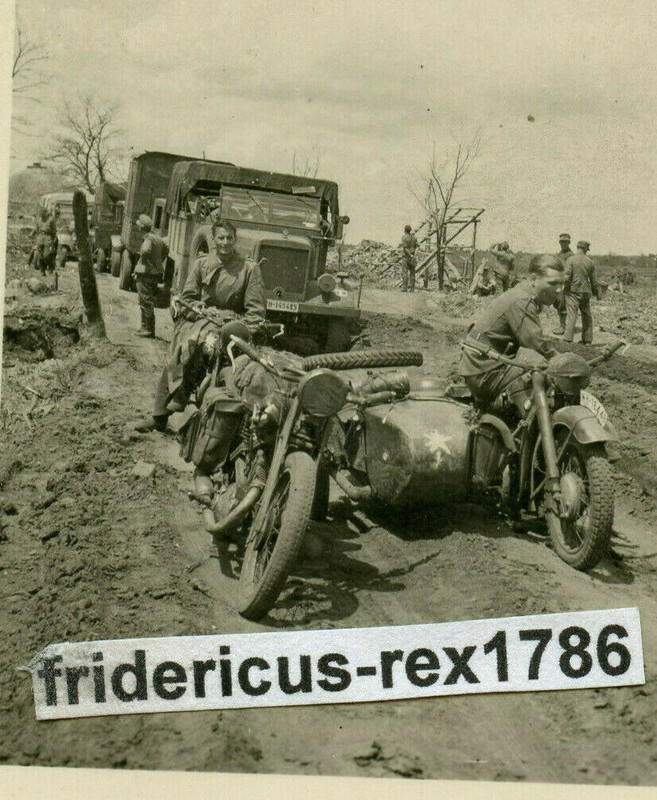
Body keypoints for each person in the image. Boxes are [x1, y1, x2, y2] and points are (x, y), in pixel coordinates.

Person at [135, 218, 266, 432]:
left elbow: (256, 311)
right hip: (200, 320)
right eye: (221, 238)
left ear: (235, 240)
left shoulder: (249, 269)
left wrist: (239, 325)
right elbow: (187, 299)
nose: (225, 242)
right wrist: (204, 310)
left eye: (229, 238)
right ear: (213, 240)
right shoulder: (201, 264)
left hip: (232, 325)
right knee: (181, 350)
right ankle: (160, 415)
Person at [459, 254, 564, 408]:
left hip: (480, 365)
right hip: (484, 372)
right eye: (553, 283)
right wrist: (563, 362)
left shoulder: (522, 292)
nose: (559, 289)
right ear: (534, 279)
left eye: (562, 283)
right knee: (548, 379)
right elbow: (537, 344)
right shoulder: (523, 300)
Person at [133, 214, 169, 338]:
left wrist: (145, 262)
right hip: (155, 274)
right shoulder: (158, 238)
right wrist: (158, 262)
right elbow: (166, 250)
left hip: (146, 274)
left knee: (145, 301)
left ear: (141, 227)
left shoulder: (148, 238)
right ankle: (145, 327)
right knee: (146, 300)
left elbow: (145, 250)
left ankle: (148, 329)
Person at [563, 240, 600, 345]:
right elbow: (594, 281)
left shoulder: (571, 260)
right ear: (585, 249)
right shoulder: (590, 262)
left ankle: (567, 339)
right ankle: (587, 340)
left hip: (572, 292)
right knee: (586, 315)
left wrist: (565, 290)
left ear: (578, 248)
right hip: (585, 292)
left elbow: (566, 277)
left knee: (571, 315)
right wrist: (597, 293)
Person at [552, 233, 573, 334]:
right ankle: (563, 325)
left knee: (562, 303)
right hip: (558, 282)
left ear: (568, 243)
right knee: (557, 302)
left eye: (565, 242)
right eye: (561, 242)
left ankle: (563, 326)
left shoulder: (571, 255)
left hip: (566, 283)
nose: (563, 244)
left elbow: (569, 271)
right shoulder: (559, 255)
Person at [32, 207, 57, 275]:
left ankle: (50, 267)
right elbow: (36, 228)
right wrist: (32, 234)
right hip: (40, 238)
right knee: (40, 255)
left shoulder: (51, 220)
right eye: (41, 214)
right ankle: (42, 270)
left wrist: (53, 238)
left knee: (47, 255)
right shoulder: (39, 219)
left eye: (43, 214)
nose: (42, 215)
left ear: (46, 213)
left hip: (48, 239)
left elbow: (54, 231)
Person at [400, 224, 418, 292]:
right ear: (410, 230)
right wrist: (413, 254)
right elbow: (416, 246)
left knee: (405, 272)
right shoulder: (414, 238)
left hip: (406, 257)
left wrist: (409, 254)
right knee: (412, 273)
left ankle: (405, 288)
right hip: (413, 256)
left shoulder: (404, 237)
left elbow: (405, 248)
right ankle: (412, 288)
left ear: (405, 230)